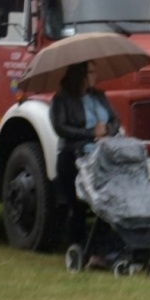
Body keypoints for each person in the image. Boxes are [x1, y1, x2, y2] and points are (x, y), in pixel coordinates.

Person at [51, 60, 120, 262]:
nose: (95, 76)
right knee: (78, 205)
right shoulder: (62, 99)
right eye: (91, 72)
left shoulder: (99, 96)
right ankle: (77, 246)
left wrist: (107, 131)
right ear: (79, 75)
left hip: (101, 156)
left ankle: (101, 250)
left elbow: (116, 119)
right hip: (74, 157)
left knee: (106, 203)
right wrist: (90, 133)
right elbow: (61, 128)